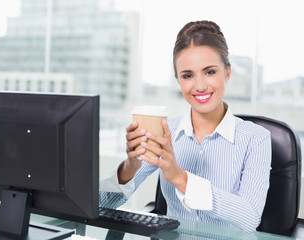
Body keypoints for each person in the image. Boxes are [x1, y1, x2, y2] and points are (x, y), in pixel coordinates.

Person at [99, 20, 271, 232]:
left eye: (210, 72)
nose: (199, 85)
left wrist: (180, 177)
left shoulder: (256, 138)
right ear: (178, 80)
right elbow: (101, 204)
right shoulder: (165, 131)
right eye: (187, 75)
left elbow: (249, 218)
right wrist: (130, 167)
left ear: (227, 72)